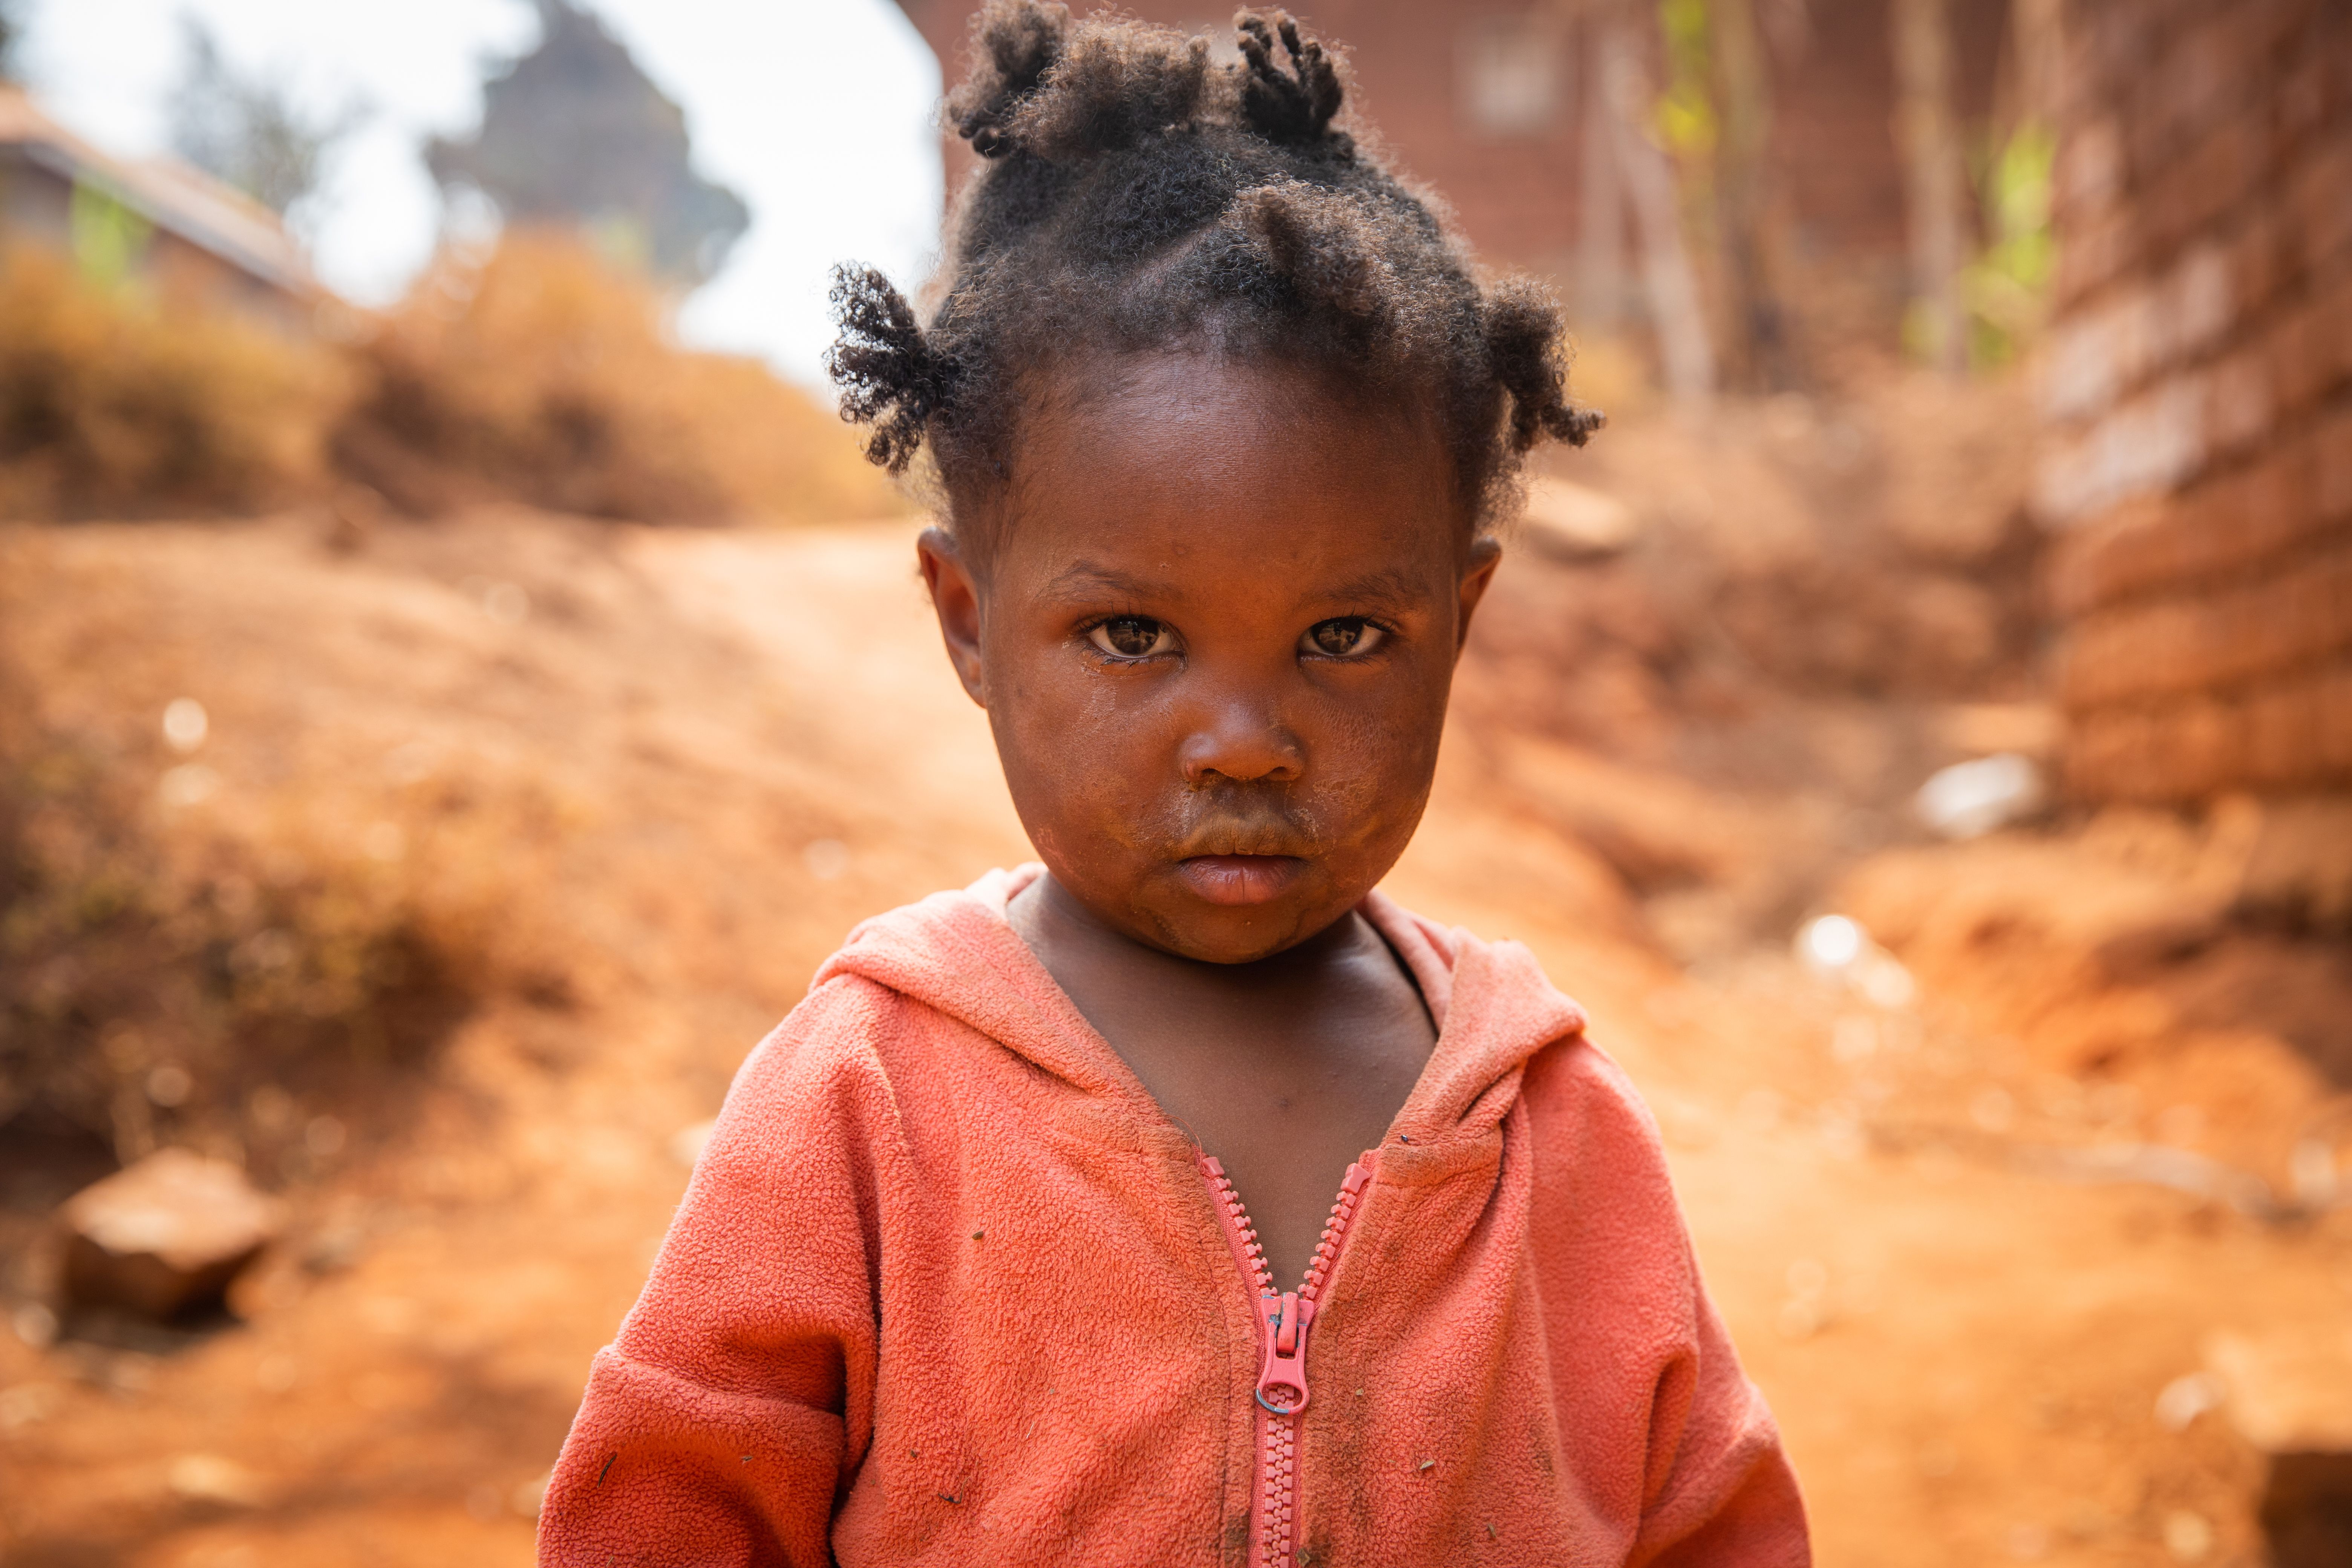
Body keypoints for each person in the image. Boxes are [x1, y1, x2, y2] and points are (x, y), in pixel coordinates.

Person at [536, 6, 1809, 1564]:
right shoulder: (863, 1102)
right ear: (969, 625)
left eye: (1345, 634)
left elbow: (1713, 1521)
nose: (1246, 740)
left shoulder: (1550, 1125)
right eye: (1133, 634)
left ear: (1457, 625)